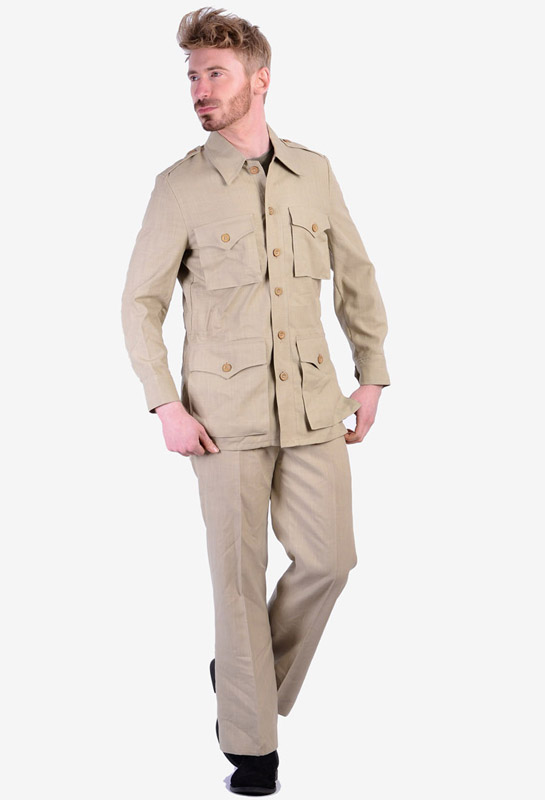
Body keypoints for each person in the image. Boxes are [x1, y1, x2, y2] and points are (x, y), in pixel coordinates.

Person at [121, 6, 390, 795]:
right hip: (219, 419)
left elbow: (356, 275)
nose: (199, 90)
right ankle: (251, 746)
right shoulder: (178, 187)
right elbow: (139, 304)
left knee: (330, 561)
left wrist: (371, 373)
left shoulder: (315, 172)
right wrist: (165, 404)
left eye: (215, 73)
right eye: (192, 76)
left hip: (313, 405)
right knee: (236, 581)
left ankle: (242, 677)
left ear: (260, 79)